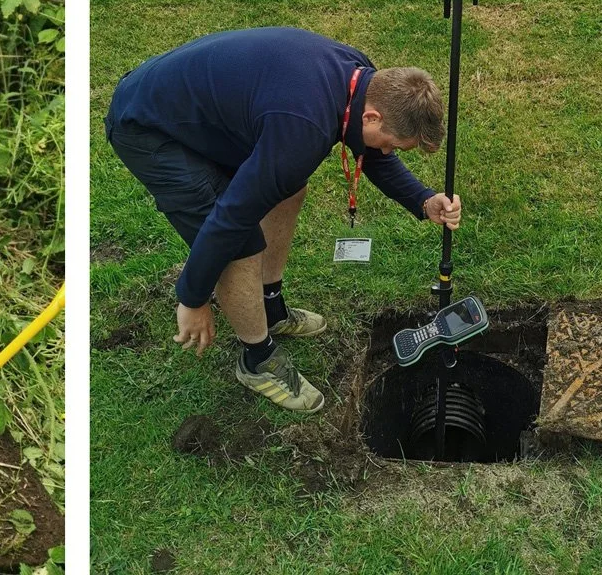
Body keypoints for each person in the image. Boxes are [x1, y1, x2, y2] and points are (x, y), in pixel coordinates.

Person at [104, 27, 462, 413]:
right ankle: (257, 360)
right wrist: (191, 298)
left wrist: (423, 200)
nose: (389, 152)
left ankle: (270, 307)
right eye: (392, 143)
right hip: (147, 128)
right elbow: (231, 219)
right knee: (240, 245)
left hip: (193, 109)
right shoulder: (302, 128)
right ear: (372, 115)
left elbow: (369, 150)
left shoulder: (359, 77)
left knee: (289, 187)